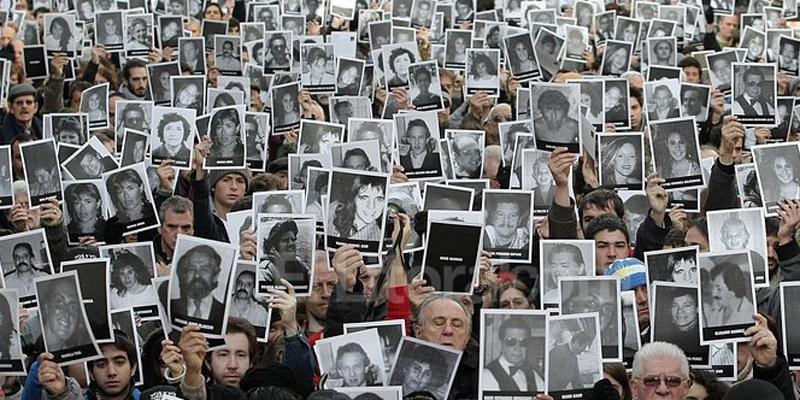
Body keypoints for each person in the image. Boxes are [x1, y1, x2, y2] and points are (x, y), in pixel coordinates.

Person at [483, 317, 541, 392]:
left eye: (523, 342)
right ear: (501, 343)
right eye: (511, 342)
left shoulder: (533, 374)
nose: (518, 348)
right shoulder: (486, 376)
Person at [172, 244, 225, 323]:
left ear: (215, 276)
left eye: (204, 269)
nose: (197, 275)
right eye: (191, 269)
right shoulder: (171, 307)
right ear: (184, 274)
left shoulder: (225, 312)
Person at [39, 276, 92, 351]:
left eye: (73, 307)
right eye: (60, 303)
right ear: (46, 307)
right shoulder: (30, 347)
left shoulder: (78, 354)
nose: (67, 314)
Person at [328, 176, 385, 240]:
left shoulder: (379, 236)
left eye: (378, 199)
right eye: (364, 198)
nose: (371, 206)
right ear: (353, 199)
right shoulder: (332, 213)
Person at [258, 220, 311, 288]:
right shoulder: (266, 270)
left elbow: (312, 278)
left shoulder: (298, 262)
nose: (291, 243)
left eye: (293, 239)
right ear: (275, 245)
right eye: (285, 240)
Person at [703, 262, 755, 326]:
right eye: (713, 288)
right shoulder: (713, 313)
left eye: (719, 289)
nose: (713, 294)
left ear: (733, 288)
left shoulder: (751, 315)